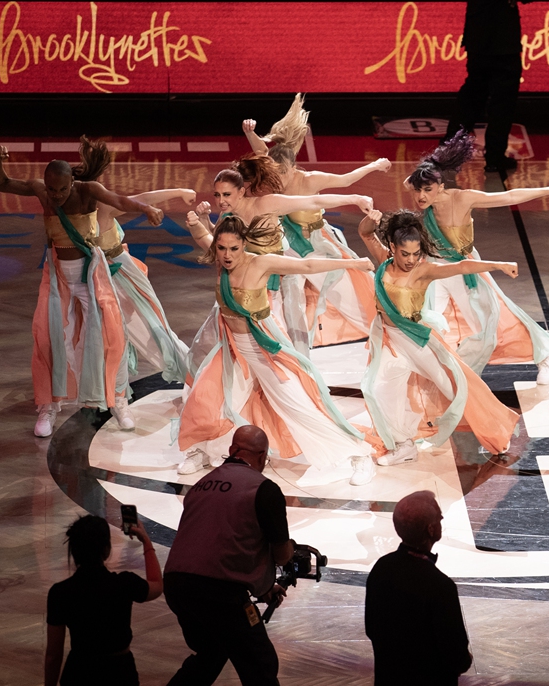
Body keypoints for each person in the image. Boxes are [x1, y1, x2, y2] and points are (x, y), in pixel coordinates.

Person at [177, 214, 378, 486]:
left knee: (299, 406)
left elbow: (306, 265)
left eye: (234, 248)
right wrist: (193, 223)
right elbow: (203, 237)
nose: (226, 255)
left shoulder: (260, 263)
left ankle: (358, 455)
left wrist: (354, 262)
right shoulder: (222, 263)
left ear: (244, 244)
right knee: (212, 401)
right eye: (221, 248)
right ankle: (203, 449)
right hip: (235, 353)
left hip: (265, 350)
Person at [0, 145, 164, 437]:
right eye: (50, 189)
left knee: (113, 337)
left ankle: (119, 401)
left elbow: (120, 199)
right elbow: (3, 183)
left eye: (60, 189)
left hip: (91, 276)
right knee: (48, 339)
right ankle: (49, 406)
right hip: (58, 278)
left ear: (71, 182)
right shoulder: (41, 191)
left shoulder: (87, 191)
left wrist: (146, 209)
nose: (55, 195)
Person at [356, 210, 521, 466]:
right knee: (379, 389)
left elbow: (462, 266)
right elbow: (365, 232)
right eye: (405, 253)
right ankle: (404, 445)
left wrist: (498, 265)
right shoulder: (384, 262)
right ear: (392, 247)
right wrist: (372, 219)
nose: (411, 259)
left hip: (418, 340)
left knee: (452, 387)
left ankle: (496, 429)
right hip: (391, 342)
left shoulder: (423, 271)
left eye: (416, 253)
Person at [406, 132, 549, 383]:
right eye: (417, 191)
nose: (420, 197)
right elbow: (410, 181)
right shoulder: (423, 193)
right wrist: (430, 168)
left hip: (465, 269)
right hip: (433, 270)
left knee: (491, 322)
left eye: (427, 190)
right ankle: (433, 372)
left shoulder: (462, 198)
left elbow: (509, 197)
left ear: (441, 186)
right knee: (425, 319)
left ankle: (545, 355)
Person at [188, 155, 375, 356]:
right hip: (248, 284)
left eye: (226, 194)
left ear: (242, 191)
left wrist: (355, 199)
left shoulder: (267, 204)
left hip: (279, 278)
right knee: (217, 343)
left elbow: (313, 200)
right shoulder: (228, 216)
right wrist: (205, 220)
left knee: (290, 329)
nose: (221, 201)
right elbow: (219, 242)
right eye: (217, 195)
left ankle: (303, 370)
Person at [243, 96, 393, 346]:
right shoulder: (272, 173)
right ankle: (296, 345)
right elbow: (262, 151)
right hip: (289, 241)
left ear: (292, 167)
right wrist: (250, 132)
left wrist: (375, 165)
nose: (277, 179)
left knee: (349, 286)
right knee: (291, 287)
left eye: (282, 173)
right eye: (273, 173)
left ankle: (383, 326)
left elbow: (346, 180)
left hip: (318, 240)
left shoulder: (310, 180)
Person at [164, 425, 293, 686]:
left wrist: (265, 586)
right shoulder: (263, 488)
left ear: (232, 450)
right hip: (219, 592)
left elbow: (218, 542)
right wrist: (290, 551)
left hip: (177, 584)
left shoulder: (202, 484)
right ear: (261, 456)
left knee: (210, 653)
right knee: (261, 664)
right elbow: (281, 555)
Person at [72, 136, 195, 385]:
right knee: (102, 333)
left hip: (121, 272)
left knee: (149, 325)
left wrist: (180, 192)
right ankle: (107, 389)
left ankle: (191, 374)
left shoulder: (103, 206)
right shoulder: (70, 209)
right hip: (94, 276)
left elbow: (144, 198)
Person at [365, 491, 473, 685]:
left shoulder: (381, 568)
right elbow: (457, 656)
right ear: (431, 530)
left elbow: (371, 628)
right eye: (440, 518)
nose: (442, 521)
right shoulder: (440, 586)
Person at [45, 515, 162, 686]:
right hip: (120, 673)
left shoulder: (60, 593)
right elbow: (157, 585)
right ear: (106, 550)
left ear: (74, 550)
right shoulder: (124, 584)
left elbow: (53, 655)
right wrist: (146, 541)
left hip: (79, 673)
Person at [444, 0, 534, 172]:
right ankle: (494, 157)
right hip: (501, 43)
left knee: (471, 99)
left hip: (478, 38)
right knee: (502, 103)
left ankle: (447, 152)